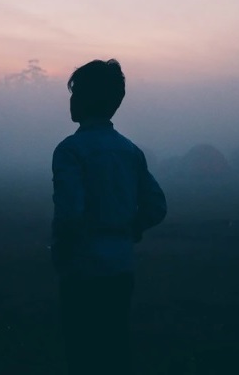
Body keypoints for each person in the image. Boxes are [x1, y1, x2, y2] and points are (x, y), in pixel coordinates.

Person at [51, 59, 167, 375]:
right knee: (114, 346)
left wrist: (61, 251)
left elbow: (70, 213)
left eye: (75, 95)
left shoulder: (70, 151)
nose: (71, 101)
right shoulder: (129, 151)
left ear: (85, 101)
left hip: (82, 267)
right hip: (120, 266)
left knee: (81, 350)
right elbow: (156, 206)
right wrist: (131, 228)